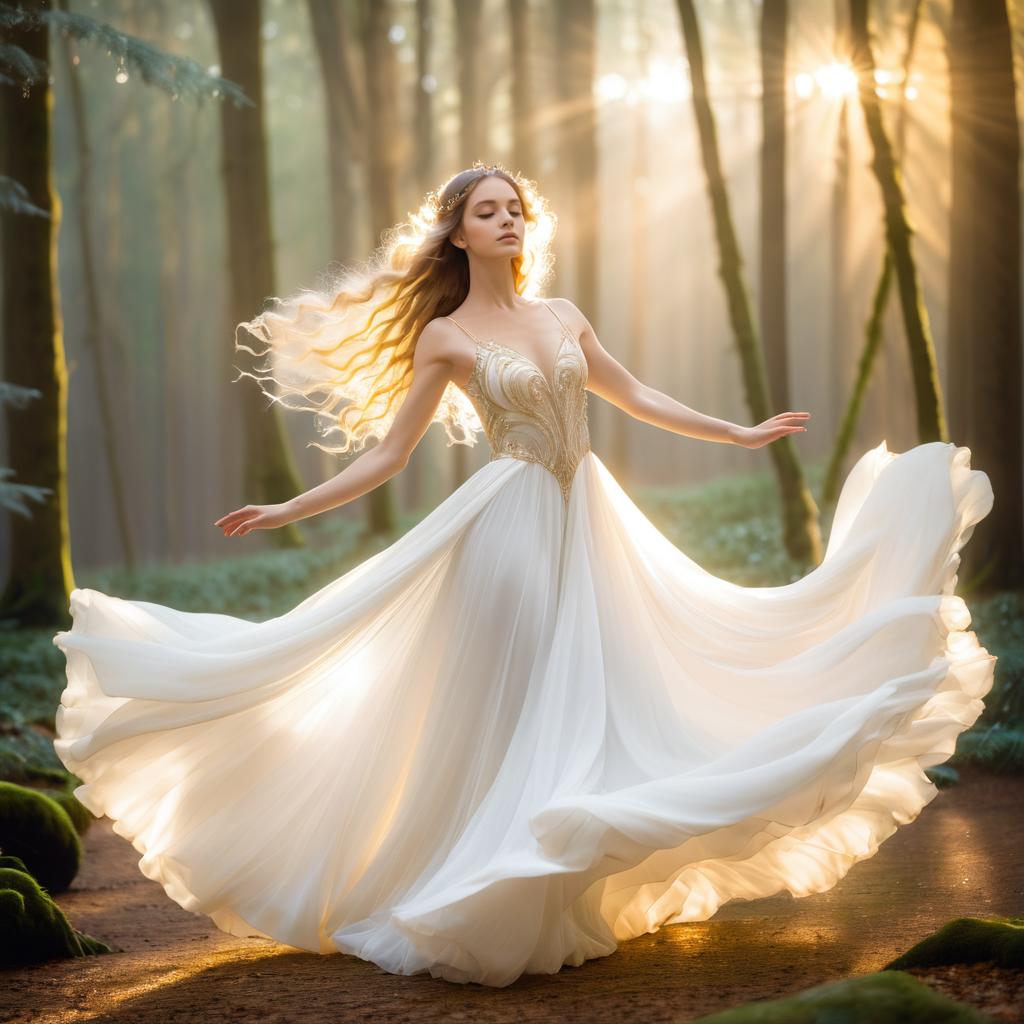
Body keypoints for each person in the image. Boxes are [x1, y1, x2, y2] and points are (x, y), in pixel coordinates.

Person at [52, 162, 996, 988]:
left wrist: (738, 431)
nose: (506, 220)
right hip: (506, 529)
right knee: (516, 705)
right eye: (486, 210)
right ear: (456, 233)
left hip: (588, 519)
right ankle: (477, 888)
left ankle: (545, 890)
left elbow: (637, 396)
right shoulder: (447, 337)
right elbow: (386, 456)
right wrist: (289, 509)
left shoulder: (563, 315)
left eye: (514, 208)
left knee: (598, 695)